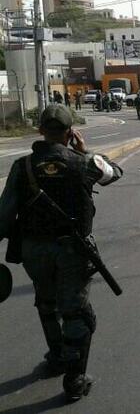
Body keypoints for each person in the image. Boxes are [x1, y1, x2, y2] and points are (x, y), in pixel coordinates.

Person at [0, 104, 123, 401]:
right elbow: (114, 173)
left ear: (41, 131)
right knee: (77, 311)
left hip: (34, 251)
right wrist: (84, 150)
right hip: (72, 250)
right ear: (70, 133)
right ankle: (75, 378)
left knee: (46, 301)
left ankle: (56, 356)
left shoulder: (22, 167)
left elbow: (4, 216)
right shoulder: (83, 162)